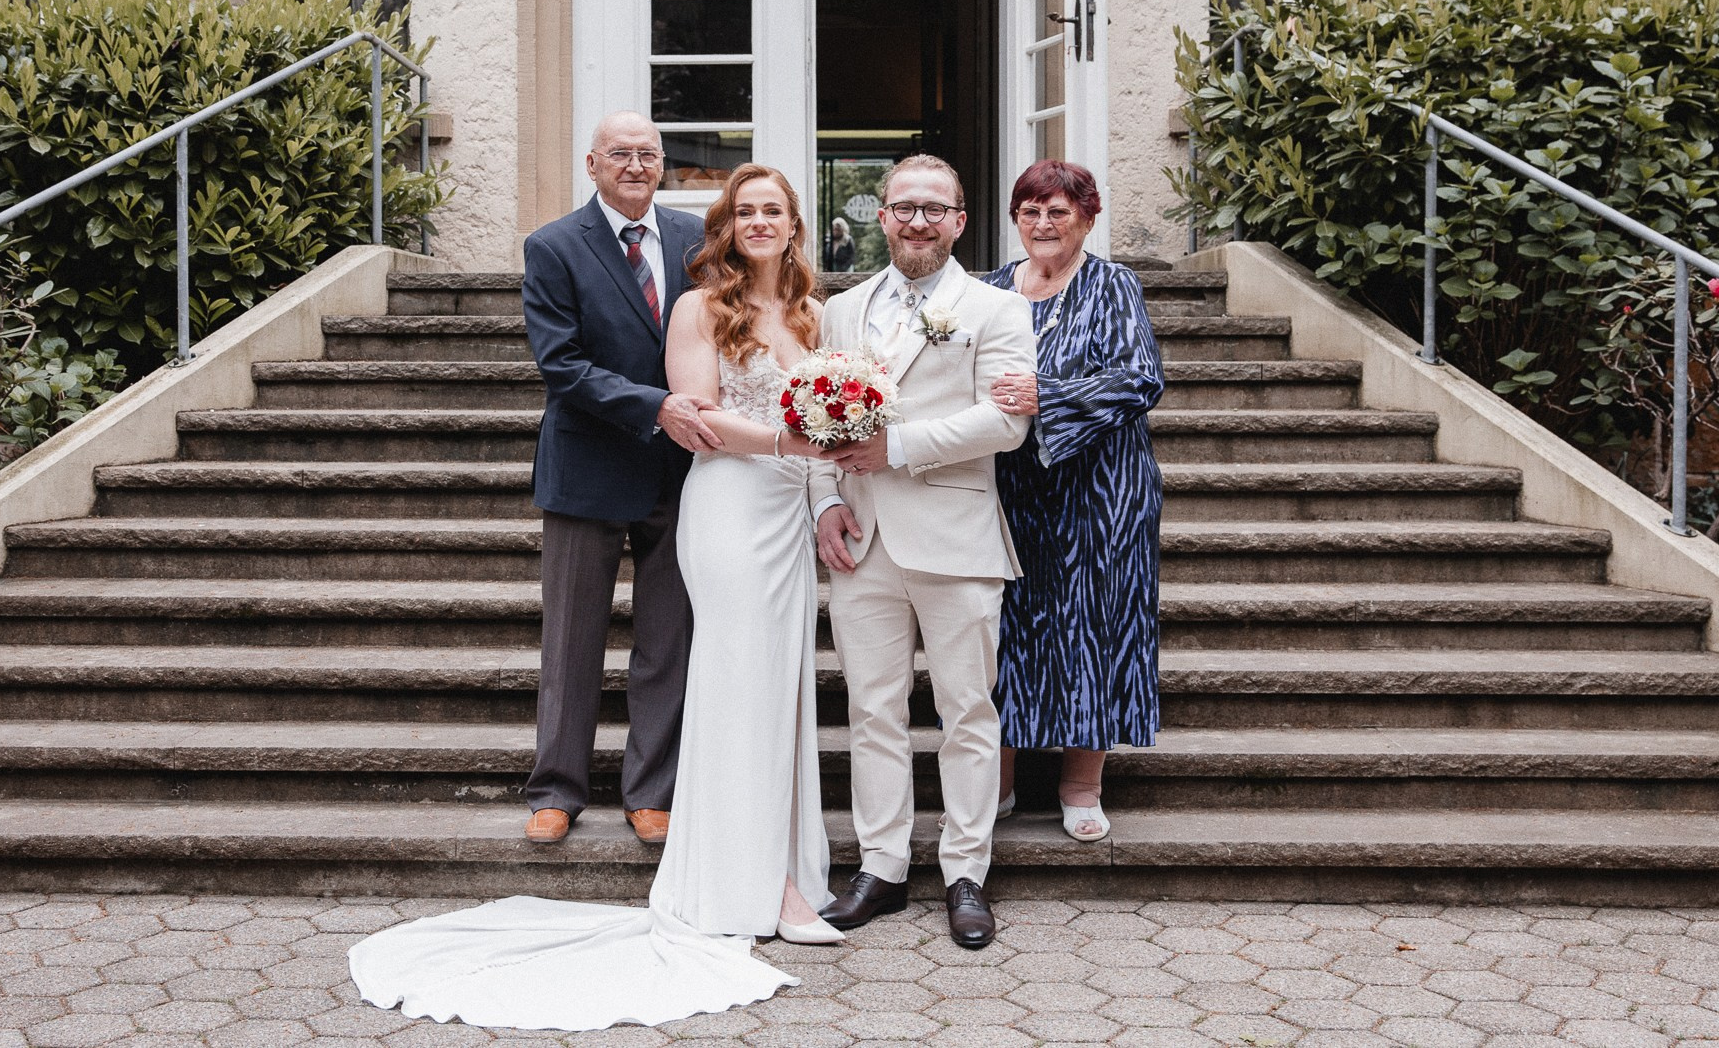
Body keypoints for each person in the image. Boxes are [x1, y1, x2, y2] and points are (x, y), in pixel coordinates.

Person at [350, 163, 839, 1030]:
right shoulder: (699, 307)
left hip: (789, 519)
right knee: (731, 683)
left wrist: (829, 484)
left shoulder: (812, 312)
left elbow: (834, 419)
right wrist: (795, 441)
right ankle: (745, 878)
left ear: (797, 225)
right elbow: (695, 412)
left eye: (776, 210)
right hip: (727, 508)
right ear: (725, 227)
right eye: (746, 210)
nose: (761, 221)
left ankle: (785, 864)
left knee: (782, 686)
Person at [809, 153, 1036, 950]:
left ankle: (966, 871)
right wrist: (826, 501)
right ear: (881, 216)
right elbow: (819, 423)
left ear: (960, 221)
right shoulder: (842, 309)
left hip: (957, 536)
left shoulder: (996, 309)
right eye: (903, 206)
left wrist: (897, 447)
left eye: (934, 208)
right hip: (862, 542)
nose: (917, 220)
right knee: (872, 710)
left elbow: (1004, 423)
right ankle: (882, 866)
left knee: (967, 711)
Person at [512, 112, 713, 848]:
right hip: (589, 464)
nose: (635, 165)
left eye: (648, 154)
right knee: (571, 637)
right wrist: (656, 405)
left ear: (663, 164)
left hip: (679, 468)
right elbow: (560, 363)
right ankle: (556, 788)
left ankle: (651, 789)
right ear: (592, 163)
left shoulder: (697, 240)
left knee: (668, 635)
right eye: (620, 154)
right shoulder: (555, 245)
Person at [982, 159, 1165, 843]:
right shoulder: (990, 287)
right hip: (1007, 486)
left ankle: (1080, 783)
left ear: (1088, 217)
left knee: (1096, 626)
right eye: (1030, 209)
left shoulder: (1112, 283)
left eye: (1059, 210)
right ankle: (995, 780)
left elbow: (1140, 378)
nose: (1043, 222)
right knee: (1001, 630)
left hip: (1100, 489)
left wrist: (1048, 397)